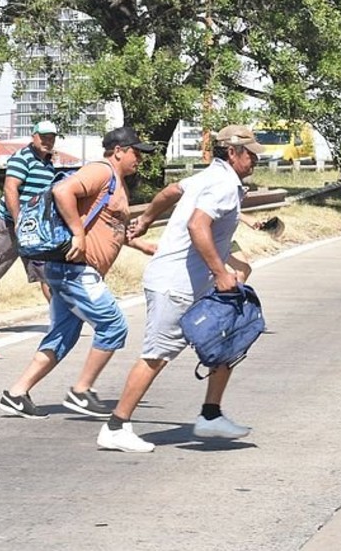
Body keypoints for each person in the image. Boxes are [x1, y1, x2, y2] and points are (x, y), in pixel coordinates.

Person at [96, 124, 263, 452]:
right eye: (251, 153)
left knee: (226, 340)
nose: (255, 159)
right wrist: (220, 272)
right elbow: (197, 224)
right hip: (174, 283)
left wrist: (145, 219)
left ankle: (211, 415)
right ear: (232, 152)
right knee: (157, 355)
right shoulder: (224, 183)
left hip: (194, 283)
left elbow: (171, 190)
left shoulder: (210, 176)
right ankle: (116, 426)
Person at [0, 127, 157, 419]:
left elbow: (108, 226)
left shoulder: (118, 182)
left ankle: (16, 394)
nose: (140, 159)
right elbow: (63, 190)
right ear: (119, 151)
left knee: (63, 335)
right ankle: (81, 391)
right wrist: (77, 233)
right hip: (75, 269)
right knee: (114, 326)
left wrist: (143, 246)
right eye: (137, 152)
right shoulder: (101, 171)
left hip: (74, 270)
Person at [0, 120, 59, 323]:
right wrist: (18, 221)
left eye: (51, 137)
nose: (47, 141)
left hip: (35, 228)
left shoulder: (48, 164)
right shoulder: (22, 158)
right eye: (43, 137)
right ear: (33, 137)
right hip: (9, 224)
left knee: (45, 272)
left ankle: (60, 317)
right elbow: (10, 189)